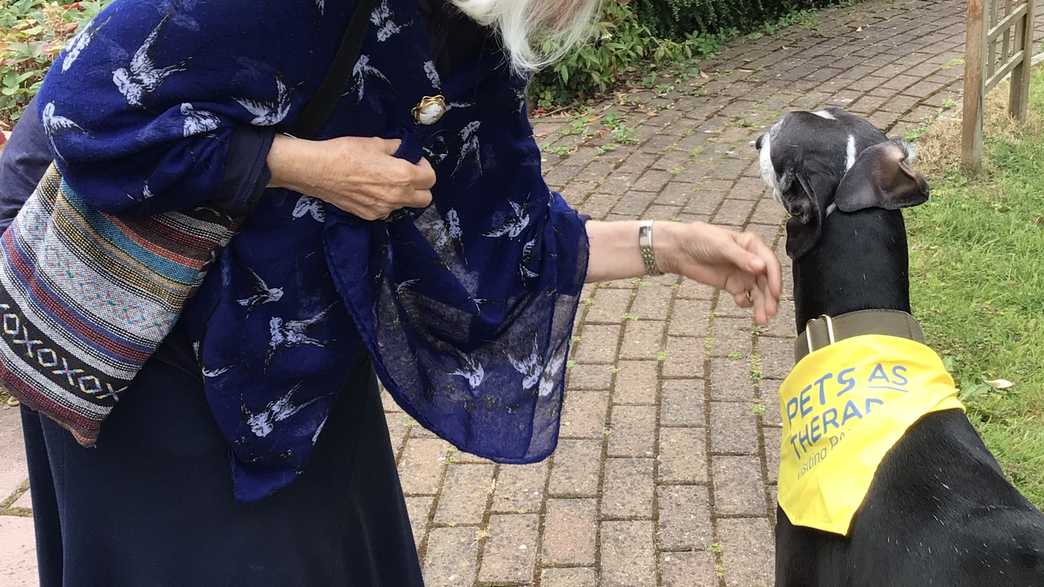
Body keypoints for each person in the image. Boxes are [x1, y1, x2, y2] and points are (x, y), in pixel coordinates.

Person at [0, 0, 781, 584]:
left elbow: (511, 239)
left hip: (288, 334)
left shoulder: (473, 34)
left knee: (346, 545)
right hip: (139, 319)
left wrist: (668, 246)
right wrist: (299, 163)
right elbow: (86, 112)